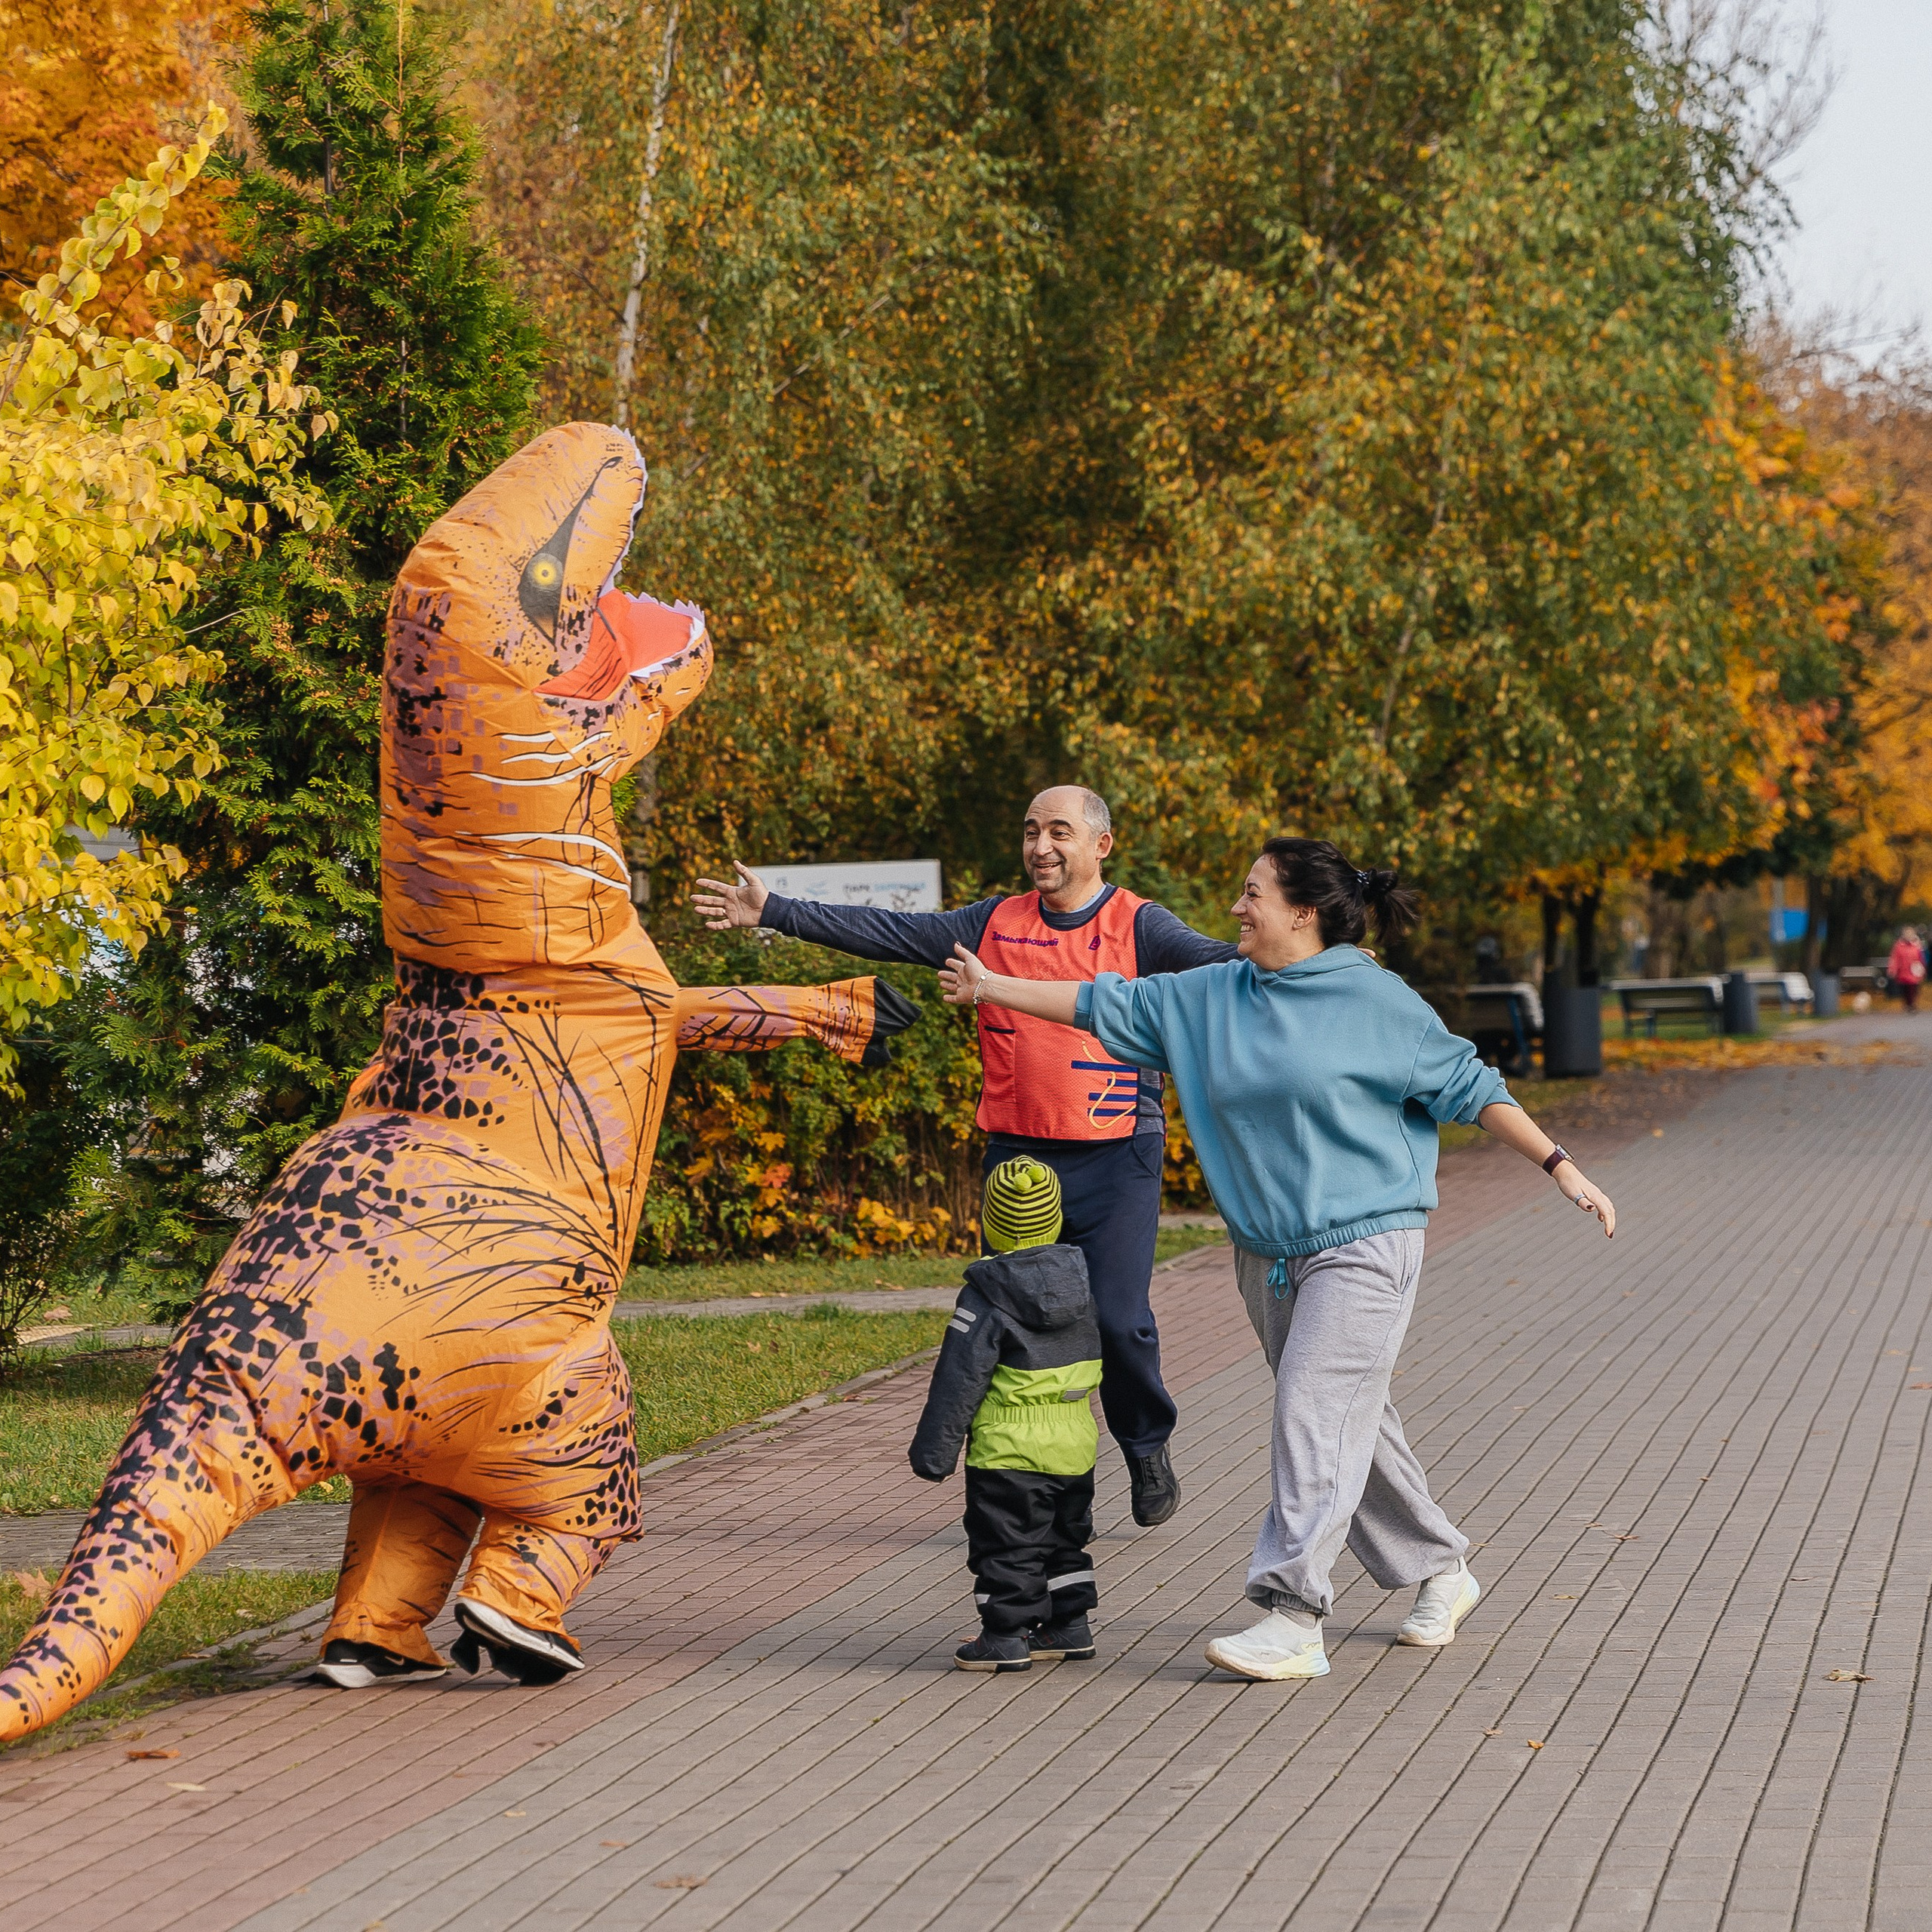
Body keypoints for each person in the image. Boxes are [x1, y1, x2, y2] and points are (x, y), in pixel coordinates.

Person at [935, 835, 1618, 1683]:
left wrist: (1561, 1166)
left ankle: (1293, 1614)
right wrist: (989, 986)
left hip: (1368, 1239)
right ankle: (1441, 1567)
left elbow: (1473, 1088)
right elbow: (1098, 1003)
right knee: (1348, 1419)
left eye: (1253, 892)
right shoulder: (1211, 995)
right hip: (1268, 1253)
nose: (1236, 906)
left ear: (1303, 912)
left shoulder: (1375, 999)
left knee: (1312, 1407)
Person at [693, 786, 1238, 1527]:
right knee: (1014, 1323)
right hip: (1018, 1157)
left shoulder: (1139, 925)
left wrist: (1308, 958)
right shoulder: (993, 922)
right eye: (1031, 831)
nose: (1041, 846)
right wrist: (775, 911)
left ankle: (1144, 1446)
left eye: (1059, 832)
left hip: (1117, 1157)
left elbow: (1222, 964)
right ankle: (1028, 1495)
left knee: (1118, 1321)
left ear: (1100, 845)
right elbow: (891, 930)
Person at [909, 1158, 1104, 1672]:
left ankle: (1005, 1635)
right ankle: (1070, 1625)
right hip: (1075, 1443)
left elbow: (960, 1377)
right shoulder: (1081, 1287)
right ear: (1054, 1219)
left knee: (1007, 1543)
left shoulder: (985, 1294)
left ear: (991, 1222)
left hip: (1008, 1451)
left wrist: (934, 1452)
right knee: (1065, 1538)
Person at [1887, 928, 1925, 1013]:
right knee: (1905, 989)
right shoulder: (1899, 946)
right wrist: (1893, 969)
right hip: (1903, 971)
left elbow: (1921, 958)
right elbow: (1895, 958)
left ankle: (1912, 1005)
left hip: (1914, 971)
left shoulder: (1916, 945)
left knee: (1913, 988)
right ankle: (1907, 1004)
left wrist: (1922, 969)